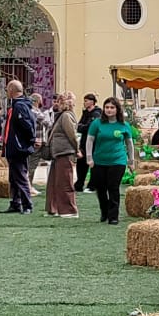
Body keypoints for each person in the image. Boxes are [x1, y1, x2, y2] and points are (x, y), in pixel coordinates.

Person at [83, 97, 134, 225]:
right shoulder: (97, 124)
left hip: (118, 161)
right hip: (99, 161)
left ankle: (113, 216)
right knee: (101, 188)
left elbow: (129, 143)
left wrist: (131, 160)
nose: (109, 110)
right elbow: (89, 140)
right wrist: (89, 157)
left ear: (117, 109)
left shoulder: (124, 126)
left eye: (112, 107)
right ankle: (104, 211)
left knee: (113, 187)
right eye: (107, 107)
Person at [1, 80, 38, 214]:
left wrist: (27, 143)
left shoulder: (20, 106)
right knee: (13, 177)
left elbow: (27, 126)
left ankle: (27, 205)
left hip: (18, 148)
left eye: (7, 89)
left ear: (11, 90)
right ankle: (15, 203)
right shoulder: (16, 106)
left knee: (21, 176)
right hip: (14, 147)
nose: (6, 92)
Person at [46, 92, 79, 218]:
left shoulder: (66, 116)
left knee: (65, 182)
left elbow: (72, 135)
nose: (55, 104)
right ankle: (54, 208)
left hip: (65, 152)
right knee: (55, 182)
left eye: (58, 101)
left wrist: (77, 150)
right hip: (58, 153)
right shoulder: (61, 116)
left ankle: (69, 210)